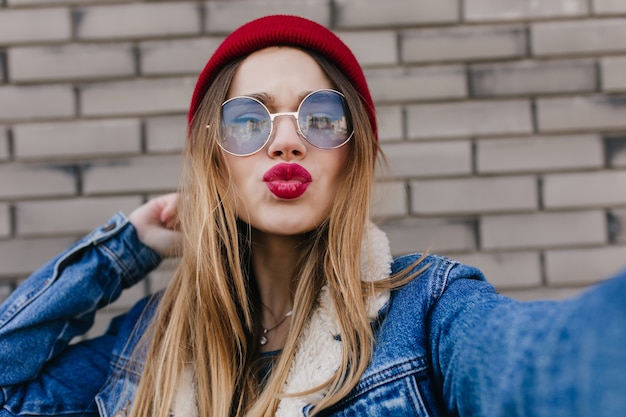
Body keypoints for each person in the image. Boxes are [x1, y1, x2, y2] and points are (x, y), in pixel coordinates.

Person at [0, 14, 624, 417]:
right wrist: (125, 249)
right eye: (249, 120)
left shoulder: (429, 311)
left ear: (351, 158)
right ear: (214, 163)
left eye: (320, 117)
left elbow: (544, 365)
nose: (286, 141)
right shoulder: (148, 342)